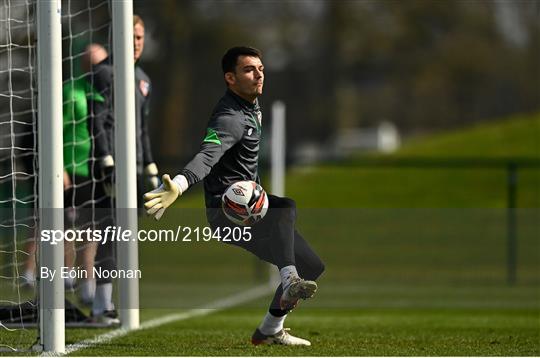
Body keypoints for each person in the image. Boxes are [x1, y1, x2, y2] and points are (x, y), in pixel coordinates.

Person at [144, 46, 325, 346]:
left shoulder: (251, 107)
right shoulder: (229, 117)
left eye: (261, 69)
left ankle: (270, 329)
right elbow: (206, 156)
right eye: (249, 70)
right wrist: (178, 183)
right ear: (230, 78)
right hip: (227, 215)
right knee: (284, 207)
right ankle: (290, 280)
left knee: (314, 267)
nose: (258, 74)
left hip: (249, 210)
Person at [21, 44, 109, 308]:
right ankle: (45, 275)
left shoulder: (108, 91)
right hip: (72, 170)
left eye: (100, 63)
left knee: (91, 230)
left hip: (96, 171)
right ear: (83, 64)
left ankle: (87, 285)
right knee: (60, 226)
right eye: (91, 63)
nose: (96, 68)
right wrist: (60, 167)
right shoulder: (71, 92)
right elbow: (53, 130)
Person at [88, 14, 158, 325]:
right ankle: (101, 303)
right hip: (108, 169)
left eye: (140, 38)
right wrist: (106, 159)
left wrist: (150, 166)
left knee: (123, 234)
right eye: (129, 37)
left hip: (136, 169)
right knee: (108, 232)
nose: (135, 43)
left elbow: (142, 129)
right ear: (115, 38)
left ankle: (111, 301)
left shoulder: (143, 79)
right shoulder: (104, 74)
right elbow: (97, 121)